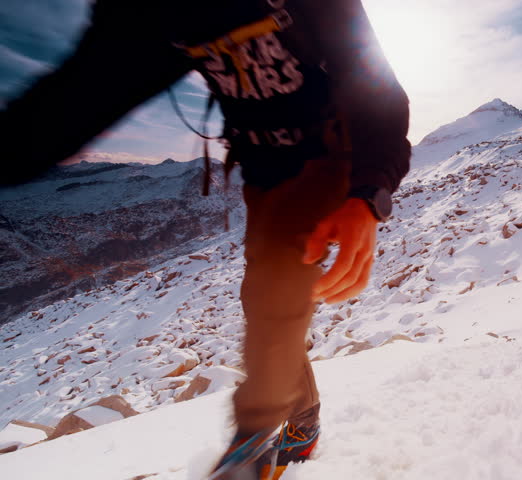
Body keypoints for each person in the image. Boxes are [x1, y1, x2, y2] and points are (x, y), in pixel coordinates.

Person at [0, 1, 410, 478]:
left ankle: (254, 443)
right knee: (259, 299)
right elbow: (79, 99)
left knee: (276, 288)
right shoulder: (160, 12)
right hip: (265, 172)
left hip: (331, 155)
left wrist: (368, 195)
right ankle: (301, 417)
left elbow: (378, 89)